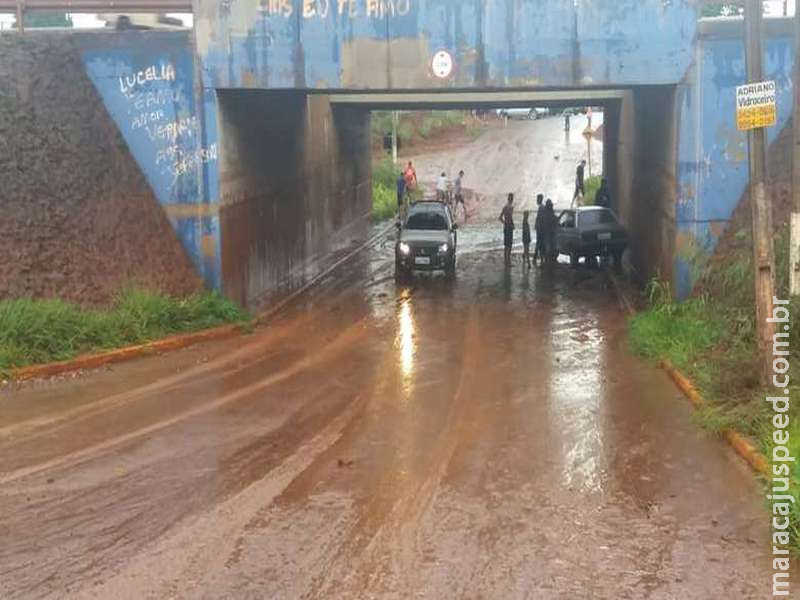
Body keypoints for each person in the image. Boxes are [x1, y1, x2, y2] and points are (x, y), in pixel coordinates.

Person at [499, 193, 515, 265]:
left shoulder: (505, 207)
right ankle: (508, 261)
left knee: (507, 245)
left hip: (507, 227)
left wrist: (505, 223)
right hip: (509, 227)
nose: (511, 199)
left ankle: (506, 260)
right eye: (511, 198)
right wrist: (509, 224)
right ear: (510, 199)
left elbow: (500, 218)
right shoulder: (510, 207)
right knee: (509, 245)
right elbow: (510, 218)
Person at [543, 199, 558, 263]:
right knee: (552, 247)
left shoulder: (546, 214)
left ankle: (549, 260)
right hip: (551, 232)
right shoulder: (550, 214)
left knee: (548, 248)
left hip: (548, 232)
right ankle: (550, 260)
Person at [533, 194, 545, 265]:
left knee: (539, 243)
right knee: (539, 243)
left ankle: (539, 258)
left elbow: (539, 218)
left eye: (537, 199)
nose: (537, 200)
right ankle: (539, 258)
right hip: (541, 229)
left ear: (540, 199)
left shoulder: (541, 208)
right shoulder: (542, 207)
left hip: (540, 229)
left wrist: (537, 225)